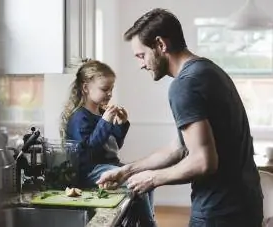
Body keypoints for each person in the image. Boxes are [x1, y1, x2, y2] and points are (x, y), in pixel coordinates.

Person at [96, 8, 263, 227]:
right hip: (245, 205)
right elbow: (179, 147)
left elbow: (203, 162)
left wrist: (152, 179)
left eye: (141, 55)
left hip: (219, 213)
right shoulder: (208, 71)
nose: (141, 64)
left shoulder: (184, 85)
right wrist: (126, 171)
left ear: (161, 45)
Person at [60, 59, 156, 226]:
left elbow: (115, 145)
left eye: (111, 89)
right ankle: (148, 224)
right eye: (105, 89)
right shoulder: (79, 117)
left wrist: (121, 124)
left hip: (110, 166)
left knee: (147, 177)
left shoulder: (102, 112)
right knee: (135, 180)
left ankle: (142, 220)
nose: (110, 94)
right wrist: (104, 122)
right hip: (90, 171)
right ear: (85, 88)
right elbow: (89, 149)